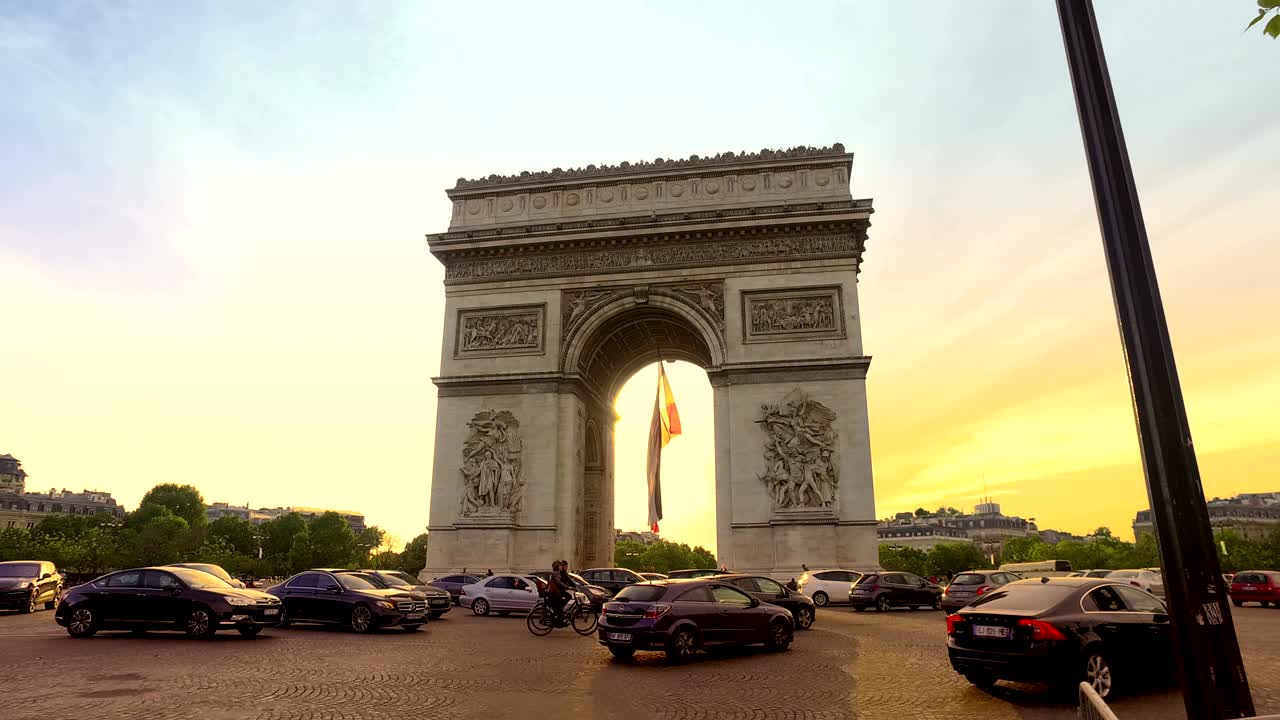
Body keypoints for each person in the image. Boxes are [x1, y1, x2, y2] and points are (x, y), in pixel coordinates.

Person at [546, 560, 571, 626]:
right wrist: (567, 586)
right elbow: (558, 582)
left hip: (554, 592)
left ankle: (558, 618)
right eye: (560, 565)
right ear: (557, 567)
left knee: (560, 606)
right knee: (560, 606)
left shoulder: (557, 572)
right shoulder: (555, 573)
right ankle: (559, 622)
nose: (561, 567)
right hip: (553, 593)